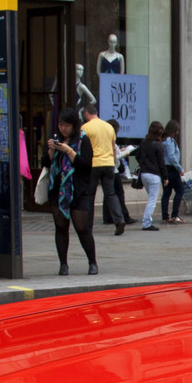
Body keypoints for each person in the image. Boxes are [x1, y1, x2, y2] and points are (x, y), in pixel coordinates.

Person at [46, 108, 99, 275]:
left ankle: (92, 261)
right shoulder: (56, 140)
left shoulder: (83, 140)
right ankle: (63, 264)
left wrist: (68, 151)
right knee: (61, 227)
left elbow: (85, 165)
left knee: (82, 227)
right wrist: (52, 151)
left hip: (78, 189)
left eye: (66, 125)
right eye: (60, 124)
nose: (63, 128)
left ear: (74, 125)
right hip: (59, 189)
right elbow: (46, 164)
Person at [80, 105, 128, 235]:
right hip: (108, 164)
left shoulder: (85, 128)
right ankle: (119, 220)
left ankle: (87, 226)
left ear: (86, 114)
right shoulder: (109, 127)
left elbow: (82, 148)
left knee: (90, 195)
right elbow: (113, 147)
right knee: (111, 194)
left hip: (94, 164)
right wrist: (113, 164)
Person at [134, 120, 165, 231]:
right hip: (154, 174)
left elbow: (137, 155)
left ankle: (147, 221)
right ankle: (146, 222)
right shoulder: (158, 145)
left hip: (144, 173)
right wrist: (165, 177)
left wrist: (143, 163)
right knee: (152, 200)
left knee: (150, 198)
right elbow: (161, 163)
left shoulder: (143, 143)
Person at [160, 119, 187, 224]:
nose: (178, 132)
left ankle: (165, 216)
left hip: (166, 169)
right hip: (171, 168)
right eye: (177, 130)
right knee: (180, 190)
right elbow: (171, 156)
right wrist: (180, 168)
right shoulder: (169, 141)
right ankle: (175, 215)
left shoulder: (164, 140)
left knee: (166, 192)